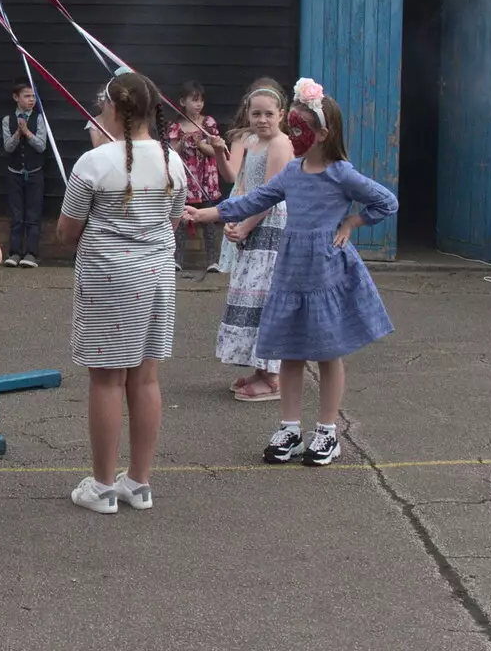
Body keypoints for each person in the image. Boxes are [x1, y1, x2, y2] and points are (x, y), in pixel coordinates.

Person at [183, 78, 399, 468]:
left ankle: (327, 432)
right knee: (292, 352)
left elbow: (387, 202)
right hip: (290, 271)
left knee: (329, 353)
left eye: (300, 126)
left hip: (327, 270)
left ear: (322, 133)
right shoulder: (292, 172)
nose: (294, 133)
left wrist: (352, 222)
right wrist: (206, 213)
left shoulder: (341, 173)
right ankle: (289, 428)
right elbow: (253, 199)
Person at [57, 72, 186, 516]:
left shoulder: (93, 163)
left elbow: (66, 231)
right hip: (157, 278)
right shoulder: (174, 162)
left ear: (112, 107)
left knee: (107, 379)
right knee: (146, 377)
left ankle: (103, 485)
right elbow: (171, 220)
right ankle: (140, 483)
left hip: (110, 280)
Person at [208, 83, 294, 402]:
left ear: (281, 115)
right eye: (256, 113)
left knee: (265, 295)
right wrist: (236, 222)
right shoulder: (253, 141)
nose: (261, 119)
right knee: (250, 294)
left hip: (269, 225)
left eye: (268, 114)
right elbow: (241, 183)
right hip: (250, 218)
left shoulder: (281, 144)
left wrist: (244, 227)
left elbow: (270, 195)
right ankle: (261, 368)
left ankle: (274, 377)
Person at [167, 80, 223, 272]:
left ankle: (212, 261)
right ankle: (177, 259)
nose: (199, 104)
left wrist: (200, 144)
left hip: (206, 180)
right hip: (186, 179)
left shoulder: (208, 123)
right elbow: (171, 152)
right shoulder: (175, 126)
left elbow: (215, 151)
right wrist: (182, 143)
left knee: (208, 219)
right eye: (194, 100)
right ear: (183, 102)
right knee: (181, 219)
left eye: (201, 100)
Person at [1, 81, 49, 268]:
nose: (31, 100)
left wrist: (27, 132)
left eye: (33, 96)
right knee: (16, 214)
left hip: (35, 173)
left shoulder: (38, 119)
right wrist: (17, 134)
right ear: (16, 97)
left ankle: (31, 253)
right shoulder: (7, 120)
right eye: (27, 96)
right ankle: (14, 252)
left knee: (33, 214)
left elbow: (41, 146)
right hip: (14, 173)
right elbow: (7, 147)